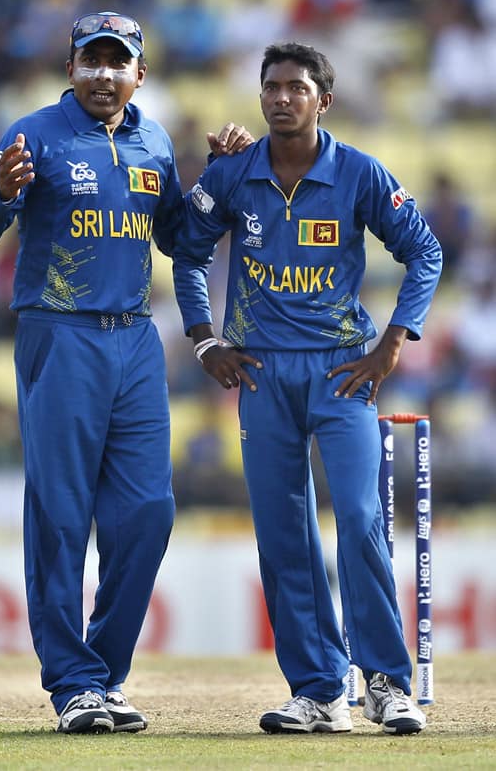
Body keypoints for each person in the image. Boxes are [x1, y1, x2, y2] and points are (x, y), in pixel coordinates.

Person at [0, 10, 253, 735]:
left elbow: (182, 240)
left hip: (135, 340)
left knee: (150, 512)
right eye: (89, 61)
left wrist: (217, 176)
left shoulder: (154, 140)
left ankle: (103, 673)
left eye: (116, 62)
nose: (102, 74)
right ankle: (73, 685)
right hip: (59, 334)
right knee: (61, 513)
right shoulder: (33, 134)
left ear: (138, 75)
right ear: (70, 69)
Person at [173, 43, 442, 736]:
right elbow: (186, 248)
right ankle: (320, 689)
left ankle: (384, 682)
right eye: (271, 87)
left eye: (296, 87)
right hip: (261, 371)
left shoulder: (357, 172)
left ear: (324, 99)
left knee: (358, 517)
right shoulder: (235, 172)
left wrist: (392, 342)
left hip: (342, 369)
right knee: (282, 533)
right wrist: (204, 337)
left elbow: (425, 251)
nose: (282, 98)